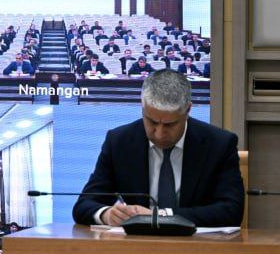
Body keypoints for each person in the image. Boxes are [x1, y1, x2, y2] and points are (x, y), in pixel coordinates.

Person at [72, 70, 244, 227]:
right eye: (152, 122)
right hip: (136, 247)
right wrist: (107, 215)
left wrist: (160, 215)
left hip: (197, 247)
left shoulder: (219, 144)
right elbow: (84, 205)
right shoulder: (119, 142)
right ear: (142, 108)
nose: (160, 134)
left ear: (187, 110)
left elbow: (231, 211)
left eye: (170, 124)